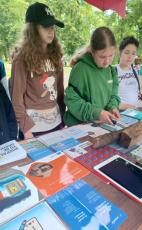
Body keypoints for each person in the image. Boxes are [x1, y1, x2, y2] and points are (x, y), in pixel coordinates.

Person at [10, 2, 65, 140]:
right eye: (46, 26)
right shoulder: (21, 59)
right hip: (33, 129)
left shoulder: (56, 56)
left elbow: (60, 91)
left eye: (52, 26)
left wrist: (63, 119)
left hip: (57, 123)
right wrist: (27, 130)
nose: (51, 31)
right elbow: (17, 99)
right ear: (32, 29)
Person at [64, 27, 120, 127]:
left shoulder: (111, 71)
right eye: (102, 57)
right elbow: (72, 100)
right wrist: (96, 113)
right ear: (93, 52)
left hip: (101, 126)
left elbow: (113, 95)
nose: (107, 61)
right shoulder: (80, 69)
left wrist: (113, 107)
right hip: (79, 127)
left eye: (111, 55)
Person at [116, 36, 142, 110]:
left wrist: (140, 94)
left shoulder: (135, 71)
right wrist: (120, 106)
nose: (130, 57)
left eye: (133, 53)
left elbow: (134, 89)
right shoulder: (113, 71)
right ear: (120, 53)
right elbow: (107, 96)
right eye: (127, 52)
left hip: (135, 112)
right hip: (120, 113)